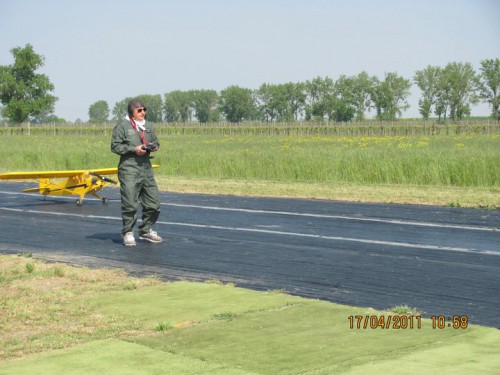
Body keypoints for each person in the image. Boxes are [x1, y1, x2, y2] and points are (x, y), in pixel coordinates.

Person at [111, 98, 162, 246]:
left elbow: (156, 142)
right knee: (130, 203)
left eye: (144, 110)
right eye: (139, 110)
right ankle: (127, 232)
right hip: (129, 168)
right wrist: (134, 149)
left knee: (154, 203)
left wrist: (153, 146)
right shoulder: (122, 126)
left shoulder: (148, 126)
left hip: (146, 167)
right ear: (132, 112)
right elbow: (115, 146)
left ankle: (146, 230)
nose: (143, 112)